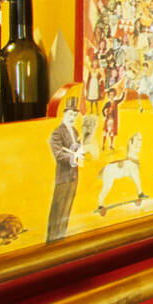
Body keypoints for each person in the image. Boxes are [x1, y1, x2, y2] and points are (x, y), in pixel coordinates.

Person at [47, 99, 85, 242]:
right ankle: (52, 240)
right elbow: (58, 154)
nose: (72, 117)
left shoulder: (74, 131)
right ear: (64, 113)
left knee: (66, 210)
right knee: (58, 210)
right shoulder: (57, 133)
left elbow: (78, 148)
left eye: (75, 115)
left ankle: (60, 239)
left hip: (73, 176)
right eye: (70, 114)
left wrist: (81, 153)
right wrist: (73, 157)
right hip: (63, 177)